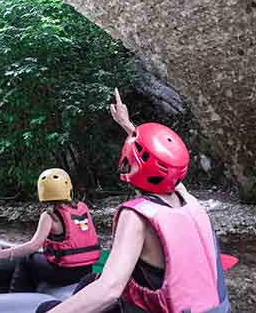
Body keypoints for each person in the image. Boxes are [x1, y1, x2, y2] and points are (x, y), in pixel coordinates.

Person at [36, 89, 231, 313]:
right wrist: (127, 125)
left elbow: (109, 290)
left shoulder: (137, 216)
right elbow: (163, 165)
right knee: (90, 280)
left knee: (46, 308)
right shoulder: (188, 199)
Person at [0, 167, 101, 292]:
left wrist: (2, 254)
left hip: (66, 274)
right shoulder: (82, 208)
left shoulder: (49, 216)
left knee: (27, 260)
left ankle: (15, 297)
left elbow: (33, 246)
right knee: (40, 258)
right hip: (86, 270)